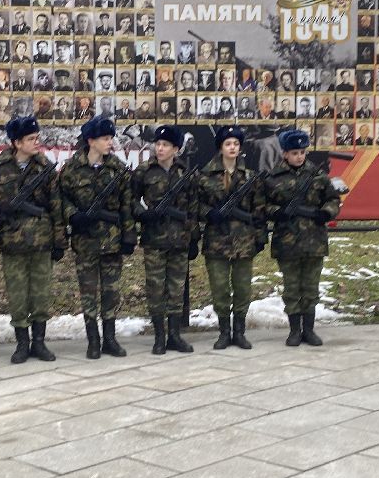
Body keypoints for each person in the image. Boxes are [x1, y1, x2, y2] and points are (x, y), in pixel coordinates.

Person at [0, 116, 63, 364]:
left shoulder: (45, 167)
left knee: (40, 294)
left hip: (41, 240)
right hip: (13, 241)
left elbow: (56, 206)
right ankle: (22, 344)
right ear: (17, 143)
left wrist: (59, 241)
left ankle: (39, 342)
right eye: (31, 139)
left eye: (37, 138)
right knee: (17, 295)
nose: (36, 142)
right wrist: (0, 207)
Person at [59, 115, 136, 358]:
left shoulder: (118, 169)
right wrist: (74, 215)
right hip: (85, 241)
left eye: (111, 138)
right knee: (88, 291)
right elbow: (61, 199)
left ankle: (110, 339)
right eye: (105, 138)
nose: (110, 142)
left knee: (111, 291)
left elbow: (127, 204)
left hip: (112, 240)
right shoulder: (72, 169)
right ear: (91, 141)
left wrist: (129, 235)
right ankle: (93, 340)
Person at [262, 128, 342, 346]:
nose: (299, 157)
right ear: (285, 154)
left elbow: (333, 200)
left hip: (314, 240)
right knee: (291, 288)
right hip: (287, 241)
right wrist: (277, 212)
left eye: (302, 152)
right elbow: (262, 205)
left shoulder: (318, 176)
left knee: (310, 287)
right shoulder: (273, 178)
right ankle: (294, 331)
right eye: (294, 153)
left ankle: (309, 330)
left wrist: (325, 213)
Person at [134, 124, 200, 354]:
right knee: (155, 288)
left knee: (176, 288)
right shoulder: (144, 171)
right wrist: (144, 214)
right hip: (154, 239)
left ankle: (174, 335)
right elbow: (131, 200)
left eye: (165, 145)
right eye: (158, 144)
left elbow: (193, 207)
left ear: (176, 149)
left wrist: (193, 238)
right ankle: (159, 337)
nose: (160, 148)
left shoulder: (185, 173)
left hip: (179, 239)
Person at [199, 124, 263, 349]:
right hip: (216, 241)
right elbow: (195, 204)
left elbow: (259, 209)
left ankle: (240, 332)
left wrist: (260, 236)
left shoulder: (250, 176)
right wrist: (209, 213)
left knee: (243, 288)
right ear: (220, 147)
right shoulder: (205, 176)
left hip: (243, 241)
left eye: (236, 143)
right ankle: (224, 332)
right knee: (220, 289)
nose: (232, 147)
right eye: (228, 144)